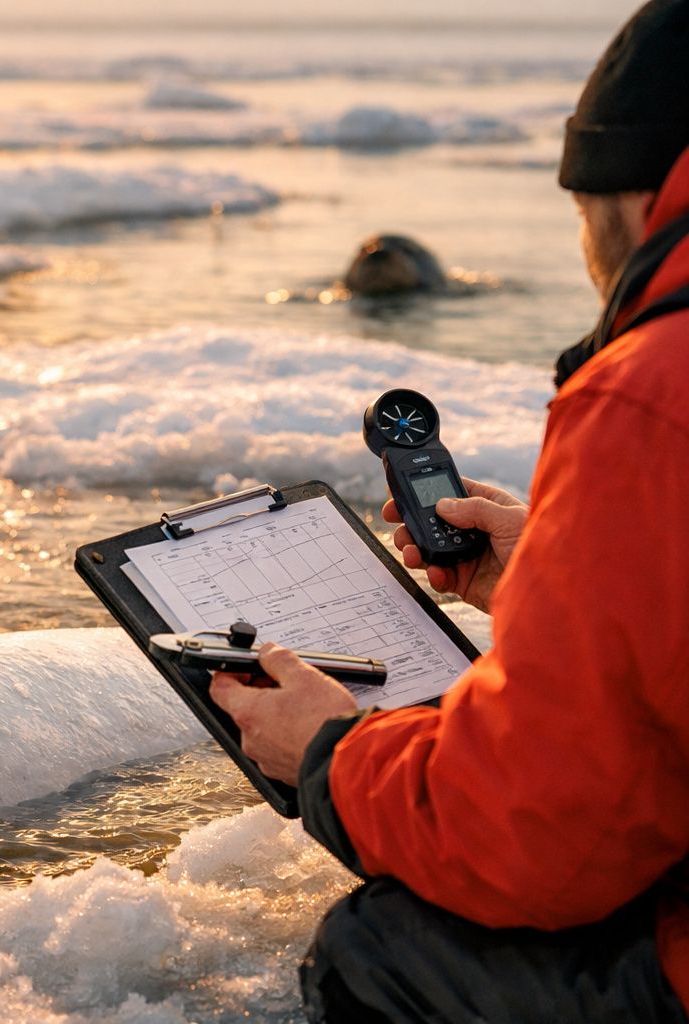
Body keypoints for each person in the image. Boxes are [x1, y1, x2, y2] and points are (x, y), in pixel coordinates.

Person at [208, 2, 689, 1020]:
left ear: (627, 200)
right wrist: (558, 580)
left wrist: (331, 757)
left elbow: (544, 839)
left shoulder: (650, 392)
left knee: (379, 945)